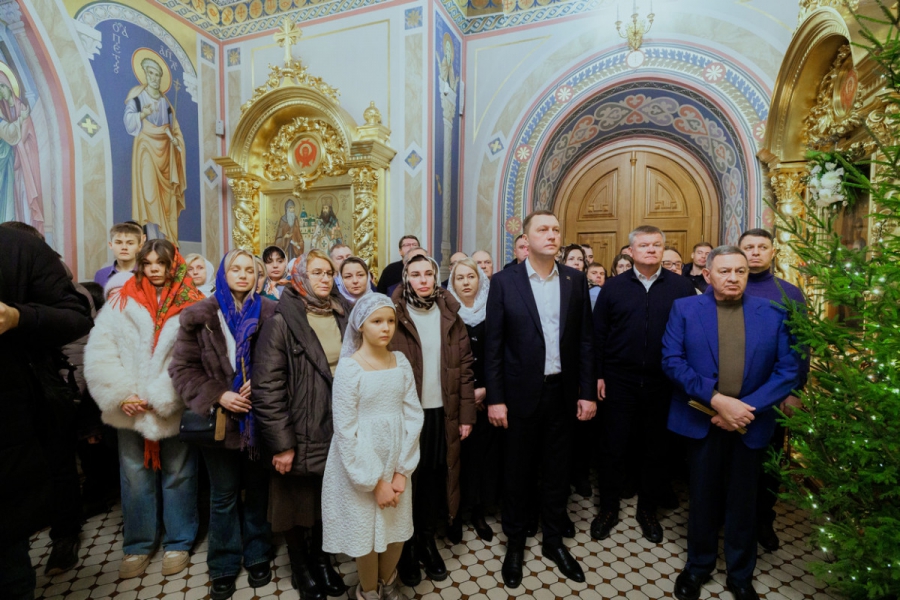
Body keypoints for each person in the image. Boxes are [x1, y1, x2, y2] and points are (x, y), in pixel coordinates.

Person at [662, 246, 800, 600]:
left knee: (744, 502)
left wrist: (744, 409)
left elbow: (788, 370)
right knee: (702, 498)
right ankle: (698, 567)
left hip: (750, 423)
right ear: (708, 275)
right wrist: (719, 402)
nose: (734, 278)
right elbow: (672, 361)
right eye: (725, 271)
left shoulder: (772, 313)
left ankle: (740, 575)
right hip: (702, 420)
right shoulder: (685, 309)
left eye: (740, 271)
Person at [485, 210, 596, 588]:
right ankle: (515, 543)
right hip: (519, 395)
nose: (551, 235)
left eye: (556, 229)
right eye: (543, 230)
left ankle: (553, 541)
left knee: (557, 472)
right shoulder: (504, 282)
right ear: (526, 237)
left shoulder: (574, 280)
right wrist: (496, 398)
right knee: (517, 472)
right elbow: (494, 346)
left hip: (562, 393)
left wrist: (587, 392)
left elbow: (585, 341)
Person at [84, 239, 203, 579]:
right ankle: (138, 544)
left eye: (160, 263)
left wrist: (165, 395)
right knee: (135, 476)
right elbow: (100, 351)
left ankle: (179, 541)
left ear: (172, 264)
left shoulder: (193, 302)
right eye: (148, 263)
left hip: (173, 406)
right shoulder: (120, 302)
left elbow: (198, 356)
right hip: (131, 408)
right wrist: (121, 394)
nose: (154, 269)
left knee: (179, 473)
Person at [169, 250, 276, 600]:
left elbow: (284, 362)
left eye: (249, 270)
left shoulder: (271, 312)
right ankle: (224, 563)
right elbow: (182, 370)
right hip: (220, 421)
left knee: (258, 489)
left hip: (260, 419)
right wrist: (220, 395)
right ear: (223, 274)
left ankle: (257, 552)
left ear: (258, 276)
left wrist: (261, 384)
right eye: (235, 269)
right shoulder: (200, 314)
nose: (243, 275)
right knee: (224, 494)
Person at [0, 227, 92, 600]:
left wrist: (16, 317)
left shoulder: (16, 249)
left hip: (18, 416)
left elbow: (75, 320)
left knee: (9, 562)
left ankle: (65, 534)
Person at [253, 250, 350, 600]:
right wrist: (282, 444)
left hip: (336, 424)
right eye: (316, 272)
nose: (324, 278)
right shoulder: (281, 321)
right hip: (298, 427)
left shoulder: (343, 313)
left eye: (328, 272)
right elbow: (267, 388)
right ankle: (300, 566)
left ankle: (322, 561)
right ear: (299, 278)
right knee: (294, 503)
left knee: (327, 500)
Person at [591, 226, 696, 545]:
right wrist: (597, 374)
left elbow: (691, 335)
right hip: (618, 380)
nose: (651, 249)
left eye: (657, 245)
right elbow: (598, 334)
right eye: (644, 245)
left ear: (663, 249)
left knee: (656, 448)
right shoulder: (613, 287)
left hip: (663, 381)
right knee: (613, 447)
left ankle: (648, 511)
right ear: (631, 251)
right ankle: (608, 508)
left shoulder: (681, 286)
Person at [321, 294, 425, 600]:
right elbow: (345, 429)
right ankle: (367, 592)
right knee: (365, 535)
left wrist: (402, 471)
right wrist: (374, 482)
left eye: (390, 321)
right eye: (377, 321)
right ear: (360, 325)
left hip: (396, 459)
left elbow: (414, 415)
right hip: (361, 463)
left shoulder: (401, 362)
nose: (386, 327)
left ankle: (386, 584)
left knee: (396, 532)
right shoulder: (350, 368)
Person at [389, 254, 476, 586]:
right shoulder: (394, 314)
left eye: (429, 273)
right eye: (416, 274)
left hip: (443, 412)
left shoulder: (450, 313)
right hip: (406, 416)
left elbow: (464, 369)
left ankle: (427, 540)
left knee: (433, 477)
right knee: (407, 478)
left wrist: (466, 415)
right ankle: (407, 547)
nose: (423, 280)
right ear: (406, 278)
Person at [738, 228, 808, 552]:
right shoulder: (726, 285)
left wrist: (796, 391)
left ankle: (763, 520)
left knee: (769, 460)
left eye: (761, 247)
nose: (755, 252)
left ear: (772, 251)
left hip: (774, 395)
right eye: (748, 247)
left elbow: (801, 345)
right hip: (730, 395)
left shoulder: (789, 293)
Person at [447, 257, 499, 543]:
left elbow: (502, 352)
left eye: (471, 276)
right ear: (452, 282)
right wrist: (467, 394)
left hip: (488, 396)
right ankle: (454, 515)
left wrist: (487, 389)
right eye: (460, 278)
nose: (466, 282)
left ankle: (478, 511)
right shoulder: (447, 313)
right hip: (456, 397)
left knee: (482, 458)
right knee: (456, 458)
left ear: (480, 280)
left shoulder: (494, 308)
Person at [125, 55, 187, 241]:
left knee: (166, 201)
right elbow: (129, 120)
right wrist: (142, 114)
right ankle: (152, 240)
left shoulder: (166, 103)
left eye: (157, 74)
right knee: (149, 195)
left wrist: (176, 141)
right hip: (146, 149)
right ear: (145, 74)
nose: (154, 77)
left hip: (165, 154)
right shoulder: (137, 97)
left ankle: (164, 241)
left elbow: (174, 129)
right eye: (150, 73)